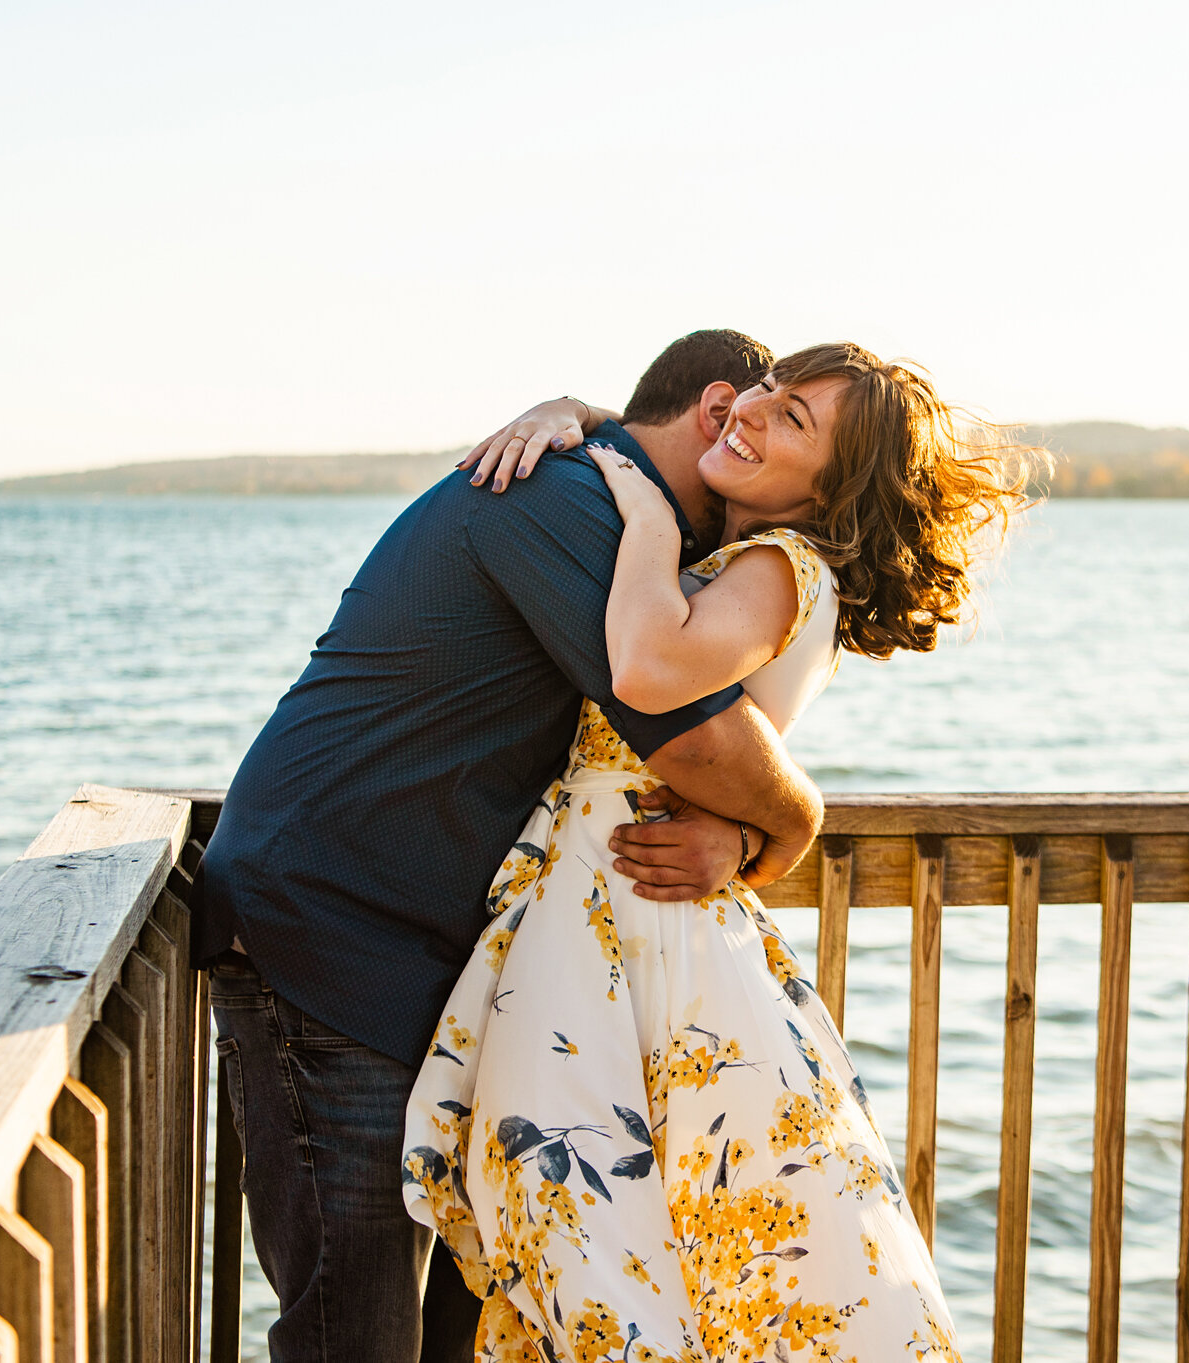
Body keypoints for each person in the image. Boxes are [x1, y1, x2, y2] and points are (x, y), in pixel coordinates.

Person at [195, 329, 829, 1363]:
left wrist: (571, 406)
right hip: (326, 933)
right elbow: (703, 739)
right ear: (715, 410)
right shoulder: (559, 500)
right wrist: (793, 824)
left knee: (461, 1327)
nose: (756, 435)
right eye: (753, 413)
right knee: (352, 1332)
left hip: (418, 963)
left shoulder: (614, 514)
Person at [402, 342, 1042, 1363]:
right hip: (613, 908)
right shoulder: (737, 563)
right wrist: (583, 414)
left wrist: (645, 514)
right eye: (767, 392)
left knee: (591, 1228)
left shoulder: (778, 567)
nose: (752, 414)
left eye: (794, 421)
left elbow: (651, 670)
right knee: (638, 1234)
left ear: (833, 486)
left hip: (635, 922)